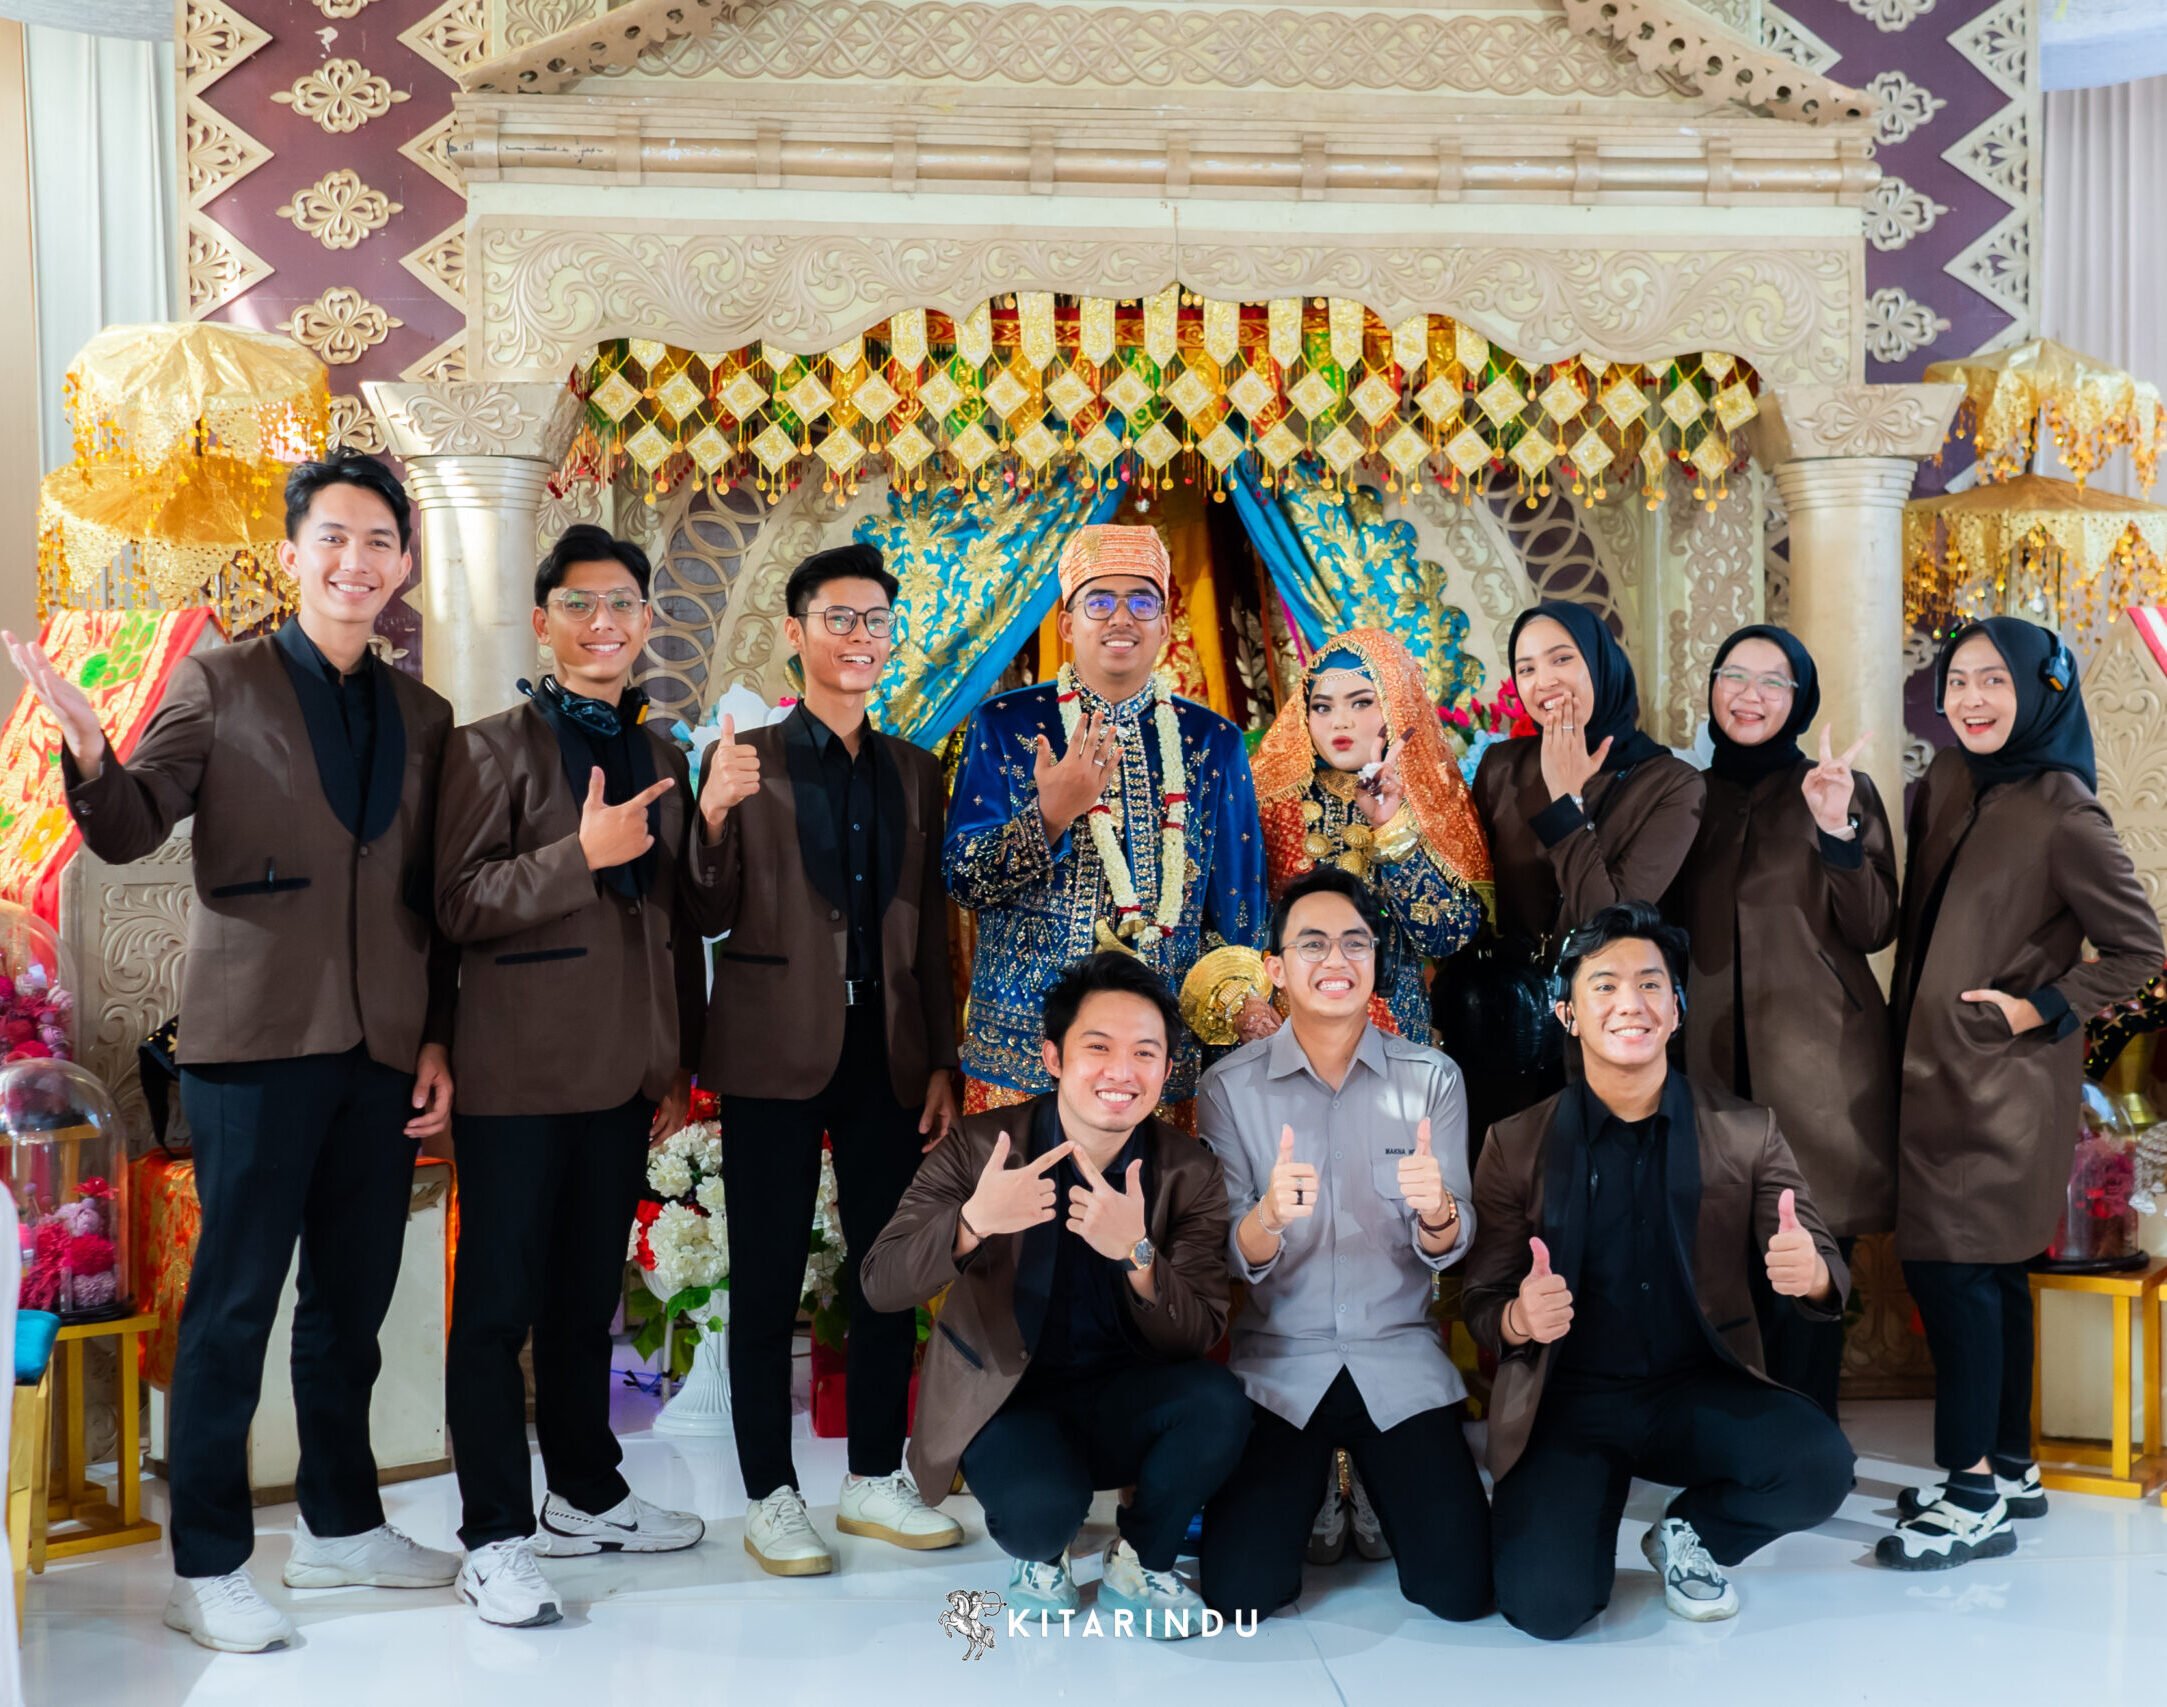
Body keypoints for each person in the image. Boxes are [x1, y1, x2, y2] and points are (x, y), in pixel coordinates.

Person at [3, 455, 461, 1653]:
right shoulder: (221, 682)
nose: (355, 560)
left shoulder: (424, 717)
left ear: (403, 565)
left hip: (379, 1050)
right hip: (252, 1047)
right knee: (233, 1307)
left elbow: (431, 896)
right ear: (293, 553)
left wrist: (437, 1038)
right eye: (334, 538)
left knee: (351, 1308)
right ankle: (204, 1565)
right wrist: (90, 750)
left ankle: (341, 1528)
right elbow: (128, 826)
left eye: (379, 541)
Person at [432, 526, 712, 1626]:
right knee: (495, 1311)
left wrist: (674, 1058)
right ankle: (494, 1536)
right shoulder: (486, 750)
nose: (605, 623)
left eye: (624, 604)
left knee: (585, 1302)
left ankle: (586, 1495)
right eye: (582, 604)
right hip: (515, 1074)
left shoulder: (663, 753)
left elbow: (676, 918)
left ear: (646, 622)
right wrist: (575, 858)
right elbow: (458, 903)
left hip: (622, 1072)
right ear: (544, 620)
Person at [1464, 901, 1854, 1640]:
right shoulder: (1514, 1144)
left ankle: (1690, 1532)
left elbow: (1825, 1262)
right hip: (1569, 1398)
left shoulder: (1746, 1131)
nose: (1630, 1003)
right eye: (1604, 985)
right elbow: (1482, 1298)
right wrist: (1517, 1316)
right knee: (1547, 1606)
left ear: (1676, 1010)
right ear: (1567, 1014)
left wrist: (1809, 1273)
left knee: (1818, 1465)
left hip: (1695, 1388)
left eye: (1650, 984)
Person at [687, 542, 963, 1576]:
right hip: (772, 1053)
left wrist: (940, 1059)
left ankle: (874, 1477)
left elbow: (929, 931)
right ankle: (770, 1494)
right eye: (839, 619)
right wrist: (711, 813)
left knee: (886, 1270)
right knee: (765, 1277)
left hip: (887, 1056)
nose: (860, 637)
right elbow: (702, 907)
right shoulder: (744, 757)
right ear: (795, 634)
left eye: (875, 622)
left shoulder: (914, 770)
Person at [1880, 618, 2164, 1571]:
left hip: (1997, 1089)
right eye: (1958, 679)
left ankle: (1971, 1500)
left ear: (2040, 692)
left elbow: (2140, 948)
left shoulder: (2064, 810)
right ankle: (2009, 1465)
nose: (1970, 698)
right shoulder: (1946, 782)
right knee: (1993, 1278)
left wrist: (2038, 1006)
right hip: (1933, 1073)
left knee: (1955, 1276)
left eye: (1994, 680)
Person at [859, 953, 1251, 1637]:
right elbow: (881, 1282)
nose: (1121, 1071)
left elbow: (1198, 1330)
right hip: (1007, 1400)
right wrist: (973, 1222)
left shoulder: (1188, 1170)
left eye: (1144, 1053)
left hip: (1126, 1395)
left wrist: (1137, 1253)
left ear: (1165, 1069)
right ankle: (1043, 1554)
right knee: (1041, 1515)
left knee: (1219, 1404)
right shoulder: (980, 1147)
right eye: (1097, 1047)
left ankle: (1140, 1559)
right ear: (1053, 1057)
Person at [1195, 865, 1491, 1625]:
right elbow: (1226, 1250)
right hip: (1280, 1368)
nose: (1336, 961)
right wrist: (1266, 1216)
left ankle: (1366, 1486)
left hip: (1398, 1361)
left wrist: (1436, 1212)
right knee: (1241, 1595)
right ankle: (1325, 1487)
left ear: (1375, 959)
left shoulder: (1431, 1079)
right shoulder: (1227, 1087)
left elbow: (1453, 1239)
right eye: (1313, 944)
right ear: (1275, 967)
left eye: (1355, 943)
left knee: (1459, 1592)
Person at [944, 524, 1271, 1125]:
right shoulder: (1004, 724)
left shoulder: (1212, 741)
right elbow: (964, 881)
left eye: (1142, 602)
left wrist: (1241, 1006)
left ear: (1164, 626)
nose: (1121, 617)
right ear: (1068, 624)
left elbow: (1237, 913)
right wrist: (1050, 815)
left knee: (1148, 1191)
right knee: (1018, 1189)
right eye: (1099, 601)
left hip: (1154, 1062)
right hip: (1022, 1054)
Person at [1664, 625, 1898, 1418]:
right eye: (1733, 674)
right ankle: (1744, 1442)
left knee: (1809, 1264)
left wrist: (1835, 831)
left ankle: (1806, 1445)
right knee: (1721, 1258)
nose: (1749, 694)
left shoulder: (1837, 788)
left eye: (1773, 681)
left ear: (1799, 700)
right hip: (1708, 1066)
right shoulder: (1685, 796)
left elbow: (1874, 925)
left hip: (1819, 1069)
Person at [1450, 601, 1704, 1144]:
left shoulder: (1671, 784)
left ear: (1600, 664)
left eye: (1562, 658)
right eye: (1526, 668)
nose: (1543, 681)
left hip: (1607, 1036)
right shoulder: (1502, 766)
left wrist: (1566, 801)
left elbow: (1609, 924)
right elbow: (1472, 901)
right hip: (1505, 1028)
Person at [1248, 628, 1490, 1042]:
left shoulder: (1428, 798)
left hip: (1392, 1031)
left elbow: (1447, 935)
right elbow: (1237, 922)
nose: (1339, 721)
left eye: (1360, 702)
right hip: (1288, 1029)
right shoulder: (1271, 800)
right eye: (1321, 707)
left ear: (1395, 704)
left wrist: (1389, 827)